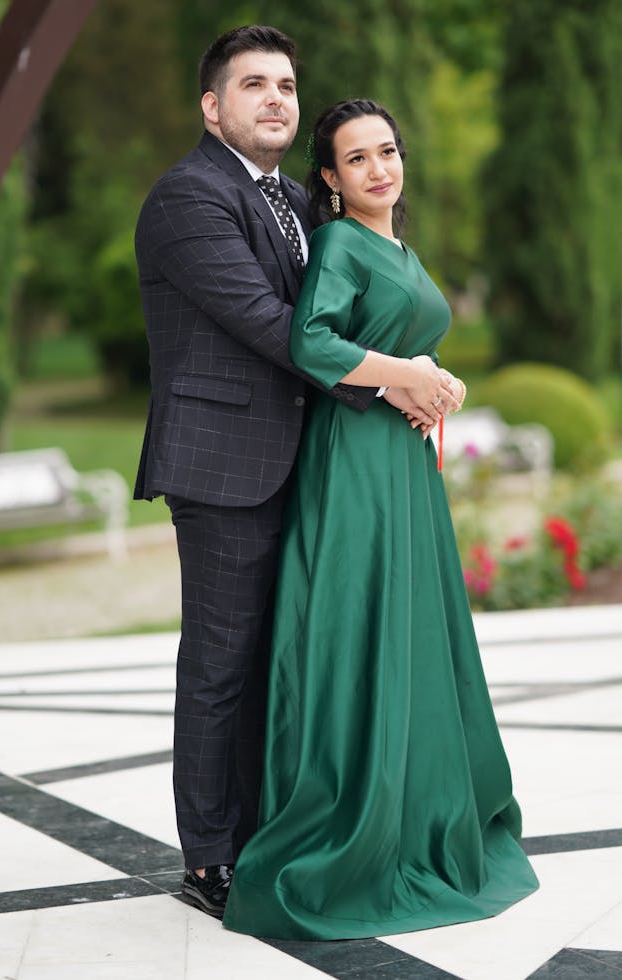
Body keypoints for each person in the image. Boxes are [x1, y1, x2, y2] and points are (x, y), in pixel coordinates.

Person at [133, 30, 453, 919]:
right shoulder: (187, 198)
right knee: (221, 668)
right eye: (253, 85)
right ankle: (209, 861)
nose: (275, 98)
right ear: (212, 106)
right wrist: (401, 382)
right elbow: (272, 325)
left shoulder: (296, 207)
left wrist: (409, 379)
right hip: (226, 467)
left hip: (311, 467)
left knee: (285, 664)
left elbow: (345, 308)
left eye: (285, 85)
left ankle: (274, 827)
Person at [223, 99, 540, 940]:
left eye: (388, 151)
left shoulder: (400, 245)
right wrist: (402, 371)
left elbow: (401, 341)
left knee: (412, 625)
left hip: (404, 462)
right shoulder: (337, 242)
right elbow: (312, 342)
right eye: (356, 159)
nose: (379, 169)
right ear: (328, 179)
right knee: (365, 621)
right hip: (356, 458)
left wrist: (434, 377)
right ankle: (353, 822)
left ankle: (422, 806)